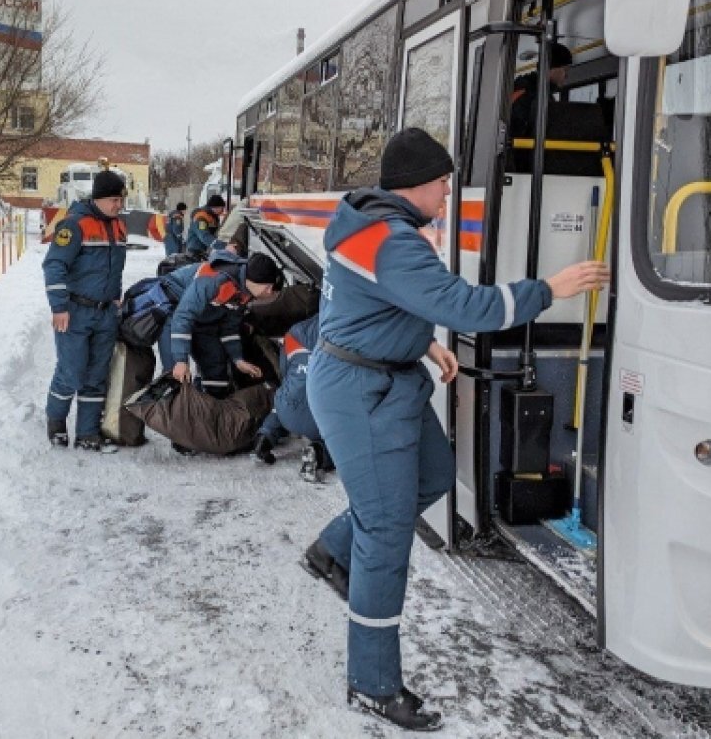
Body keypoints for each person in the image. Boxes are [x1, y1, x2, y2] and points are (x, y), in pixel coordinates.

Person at [301, 128, 609, 731]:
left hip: (385, 376)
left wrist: (419, 347)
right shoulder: (393, 240)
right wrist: (552, 289)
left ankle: (331, 551)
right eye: (444, 184)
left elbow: (377, 304)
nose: (448, 196)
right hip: (363, 394)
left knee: (436, 474)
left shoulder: (370, 223)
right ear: (417, 184)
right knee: (386, 532)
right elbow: (471, 308)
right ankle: (372, 682)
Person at [42, 170, 130, 452]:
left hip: (105, 314)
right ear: (100, 198)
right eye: (114, 199)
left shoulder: (118, 226)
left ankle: (87, 433)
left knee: (97, 375)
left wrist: (116, 298)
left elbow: (114, 268)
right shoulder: (74, 225)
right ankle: (56, 421)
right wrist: (58, 307)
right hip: (75, 311)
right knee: (72, 372)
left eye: (121, 199)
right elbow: (54, 265)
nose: (119, 205)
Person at [157, 247, 280, 399]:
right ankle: (172, 413)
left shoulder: (244, 292)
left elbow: (229, 327)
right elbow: (183, 316)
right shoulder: (214, 280)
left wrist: (238, 359)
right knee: (175, 374)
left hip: (204, 318)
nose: (269, 292)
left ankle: (207, 408)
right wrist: (180, 360)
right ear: (253, 280)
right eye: (267, 287)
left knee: (216, 371)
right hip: (174, 312)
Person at [251, 314, 334, 482]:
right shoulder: (347, 332)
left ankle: (265, 437)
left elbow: (285, 372)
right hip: (320, 418)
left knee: (289, 393)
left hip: (288, 411)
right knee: (349, 437)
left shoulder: (296, 332)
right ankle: (319, 452)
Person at [509, 41, 573, 141]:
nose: (566, 76)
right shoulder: (526, 93)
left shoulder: (541, 93)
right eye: (565, 70)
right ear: (552, 68)